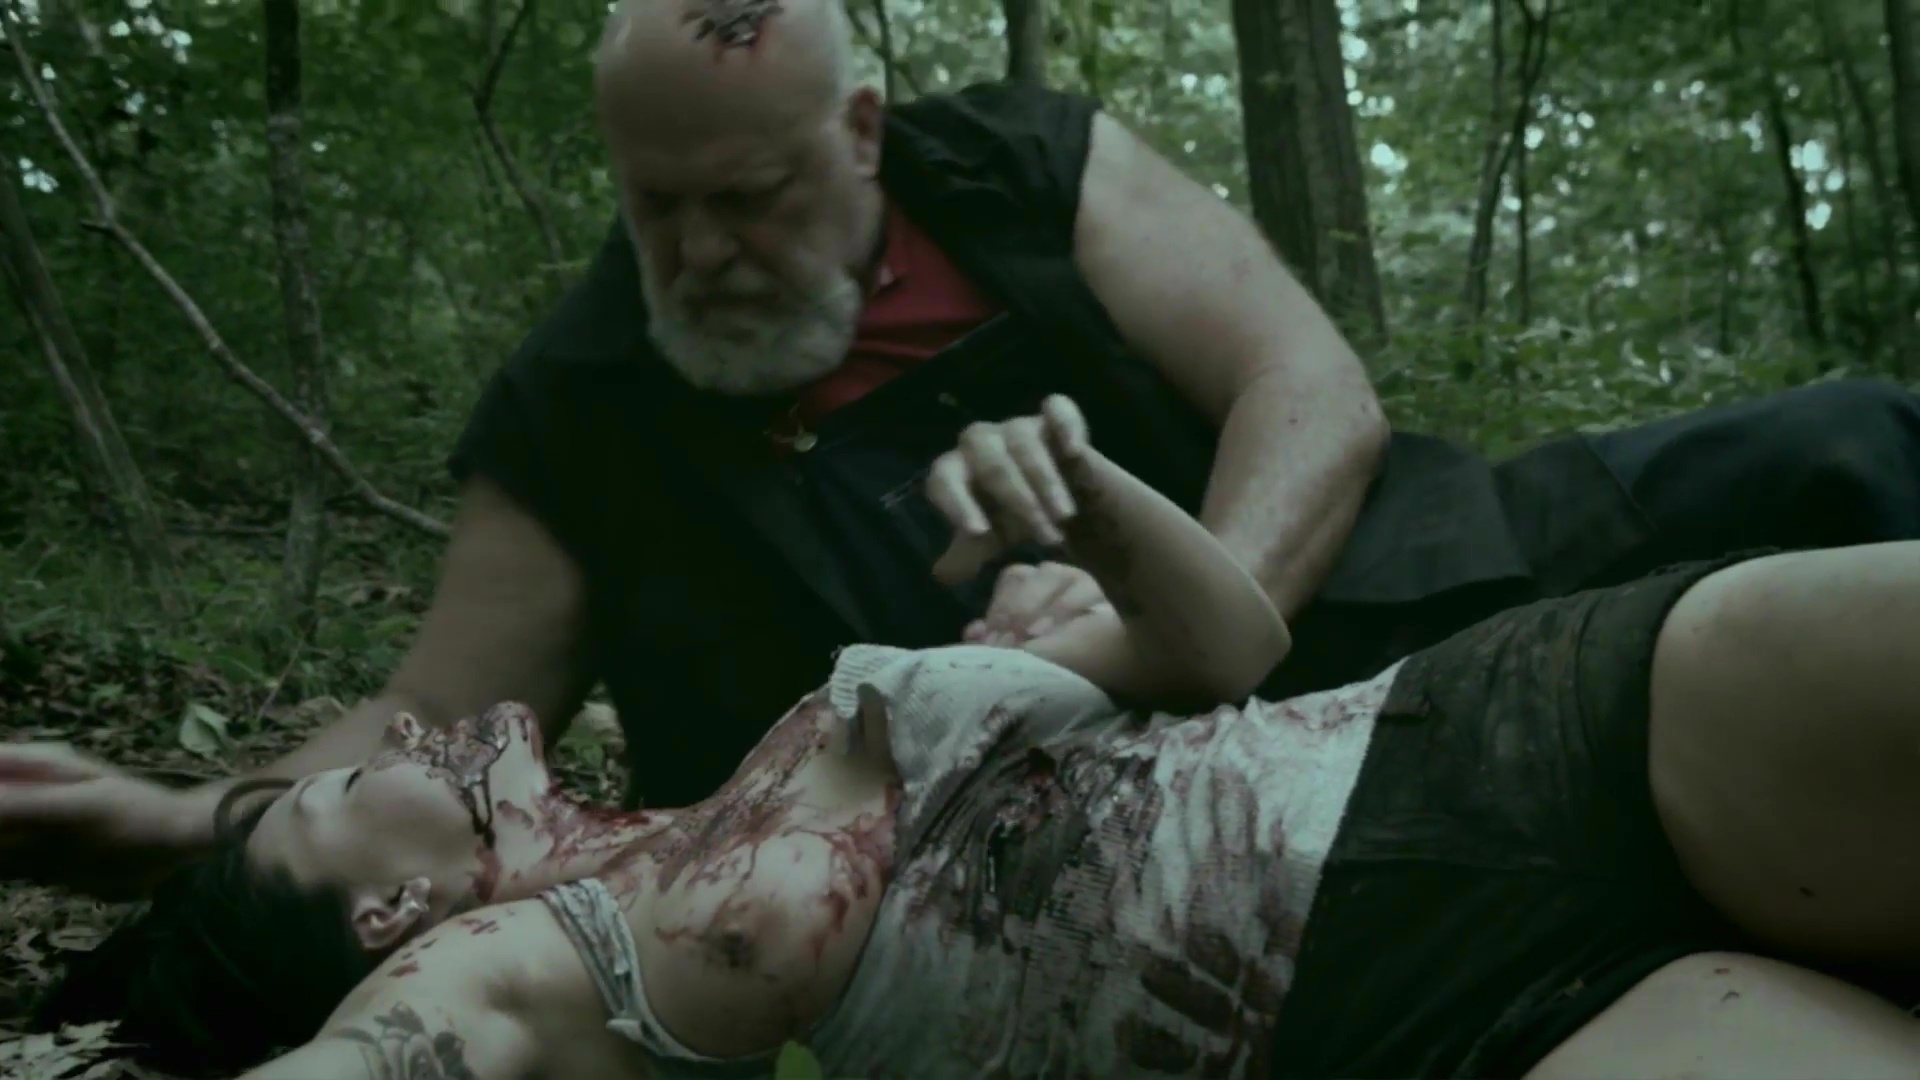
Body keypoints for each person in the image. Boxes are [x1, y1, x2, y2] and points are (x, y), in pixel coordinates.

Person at [7, 0, 1920, 897]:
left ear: (857, 137)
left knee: (1847, 451)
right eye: (658, 206)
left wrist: (1181, 611)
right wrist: (177, 815)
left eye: (750, 196)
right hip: (1063, 848)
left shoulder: (1020, 166)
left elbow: (1306, 387)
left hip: (1407, 589)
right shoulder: (572, 406)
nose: (702, 252)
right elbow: (430, 726)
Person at [34, 397, 1920, 1080]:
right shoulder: (518, 976)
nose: (407, 741)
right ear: (387, 922)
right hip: (1444, 1036)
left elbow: (1230, 643)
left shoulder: (761, 763)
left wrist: (1091, 497)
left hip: (1506, 735)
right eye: (346, 788)